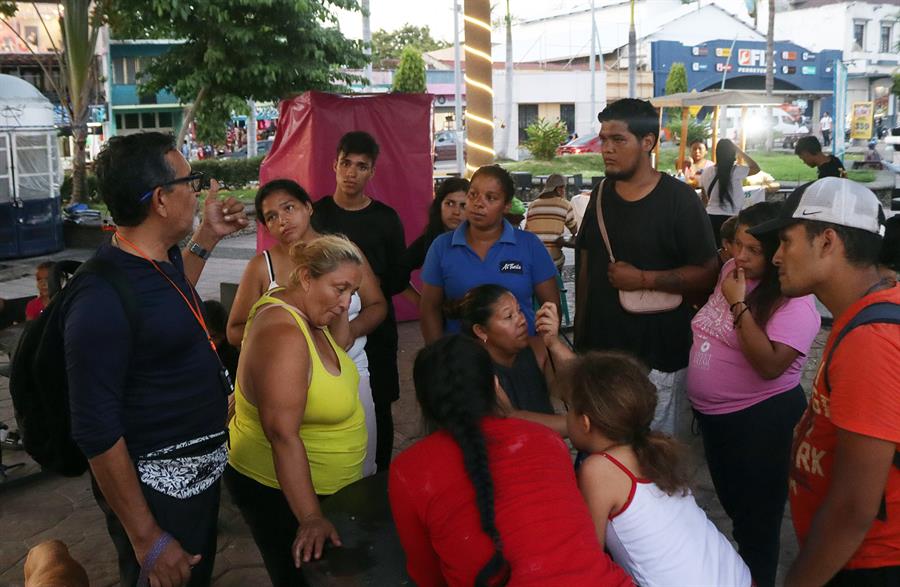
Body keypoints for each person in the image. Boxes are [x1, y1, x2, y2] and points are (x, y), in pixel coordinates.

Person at [63, 132, 248, 587]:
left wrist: (206, 235)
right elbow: (95, 430)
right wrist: (148, 538)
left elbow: (168, 295)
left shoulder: (153, 262)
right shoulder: (99, 297)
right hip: (159, 498)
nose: (198, 190)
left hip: (195, 484)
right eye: (191, 180)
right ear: (162, 200)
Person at [746, 177, 899, 586]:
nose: (776, 257)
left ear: (827, 241)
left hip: (872, 564)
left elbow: (853, 508)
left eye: (786, 241)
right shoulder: (864, 316)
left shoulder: (872, 339)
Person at [389, 335, 632, 587]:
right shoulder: (547, 440)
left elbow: (426, 575)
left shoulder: (408, 472)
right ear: (495, 386)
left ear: (423, 403)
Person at [687, 202, 821, 587]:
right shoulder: (731, 270)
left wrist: (737, 303)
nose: (739, 257)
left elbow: (768, 365)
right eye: (736, 245)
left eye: (753, 250)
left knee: (758, 527)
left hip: (760, 423)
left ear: (777, 250)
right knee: (736, 510)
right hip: (716, 421)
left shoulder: (796, 302)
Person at [225, 235, 368, 586]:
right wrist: (310, 517)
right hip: (282, 495)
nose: (346, 302)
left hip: (322, 490)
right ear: (305, 277)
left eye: (352, 292)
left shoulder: (308, 313)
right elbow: (282, 434)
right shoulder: (284, 332)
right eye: (339, 288)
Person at [574, 98, 718, 437]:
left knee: (658, 462)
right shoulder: (599, 194)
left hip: (660, 363)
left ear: (648, 143)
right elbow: (586, 265)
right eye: (603, 139)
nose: (606, 149)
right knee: (605, 458)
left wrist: (642, 279)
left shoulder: (679, 200)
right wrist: (580, 338)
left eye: (618, 140)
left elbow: (709, 273)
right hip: (602, 358)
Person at [227, 179, 385, 477]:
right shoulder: (262, 267)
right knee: (292, 454)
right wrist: (280, 337)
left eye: (289, 208)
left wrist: (348, 335)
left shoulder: (345, 254)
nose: (282, 220)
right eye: (271, 216)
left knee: (358, 462)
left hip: (351, 370)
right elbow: (235, 329)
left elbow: (377, 305)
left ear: (308, 207)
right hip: (287, 380)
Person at [567, 351, 752, 587]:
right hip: (736, 576)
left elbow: (588, 558)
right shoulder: (652, 446)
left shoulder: (599, 470)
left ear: (585, 423)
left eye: (569, 408)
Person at [312, 131, 406, 472]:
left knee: (378, 406)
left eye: (361, 166)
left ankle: (380, 479)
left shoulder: (386, 218)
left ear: (372, 172)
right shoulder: (316, 216)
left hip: (376, 328)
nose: (351, 173)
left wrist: (364, 291)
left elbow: (399, 276)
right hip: (325, 330)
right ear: (334, 166)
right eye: (345, 164)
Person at [420, 164, 560, 344]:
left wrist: (539, 352)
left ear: (506, 205)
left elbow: (551, 308)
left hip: (521, 356)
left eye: (490, 198)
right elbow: (429, 308)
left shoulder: (529, 245)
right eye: (473, 194)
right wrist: (440, 357)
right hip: (463, 361)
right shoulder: (442, 247)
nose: (478, 203)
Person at [450, 284, 574, 435]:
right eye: (509, 316)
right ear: (481, 331)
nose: (521, 320)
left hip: (545, 446)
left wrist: (554, 344)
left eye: (519, 311)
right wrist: (579, 426)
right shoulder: (472, 368)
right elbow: (508, 425)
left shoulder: (537, 350)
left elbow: (579, 393)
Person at [399, 177, 469, 305]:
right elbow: (397, 275)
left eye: (463, 206)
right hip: (440, 319)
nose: (456, 212)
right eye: (450, 203)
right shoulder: (429, 241)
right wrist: (423, 304)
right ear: (439, 205)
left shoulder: (478, 240)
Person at [700, 139, 761, 246]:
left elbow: (704, 199)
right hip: (732, 219)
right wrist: (739, 151)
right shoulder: (736, 171)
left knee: (715, 250)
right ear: (732, 154)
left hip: (710, 217)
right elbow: (756, 168)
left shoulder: (706, 172)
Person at [524, 173, 579, 272]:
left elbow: (526, 232)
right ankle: (557, 285)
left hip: (531, 257)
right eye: (564, 188)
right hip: (552, 259)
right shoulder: (565, 205)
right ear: (559, 189)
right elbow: (574, 230)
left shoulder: (533, 205)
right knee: (560, 257)